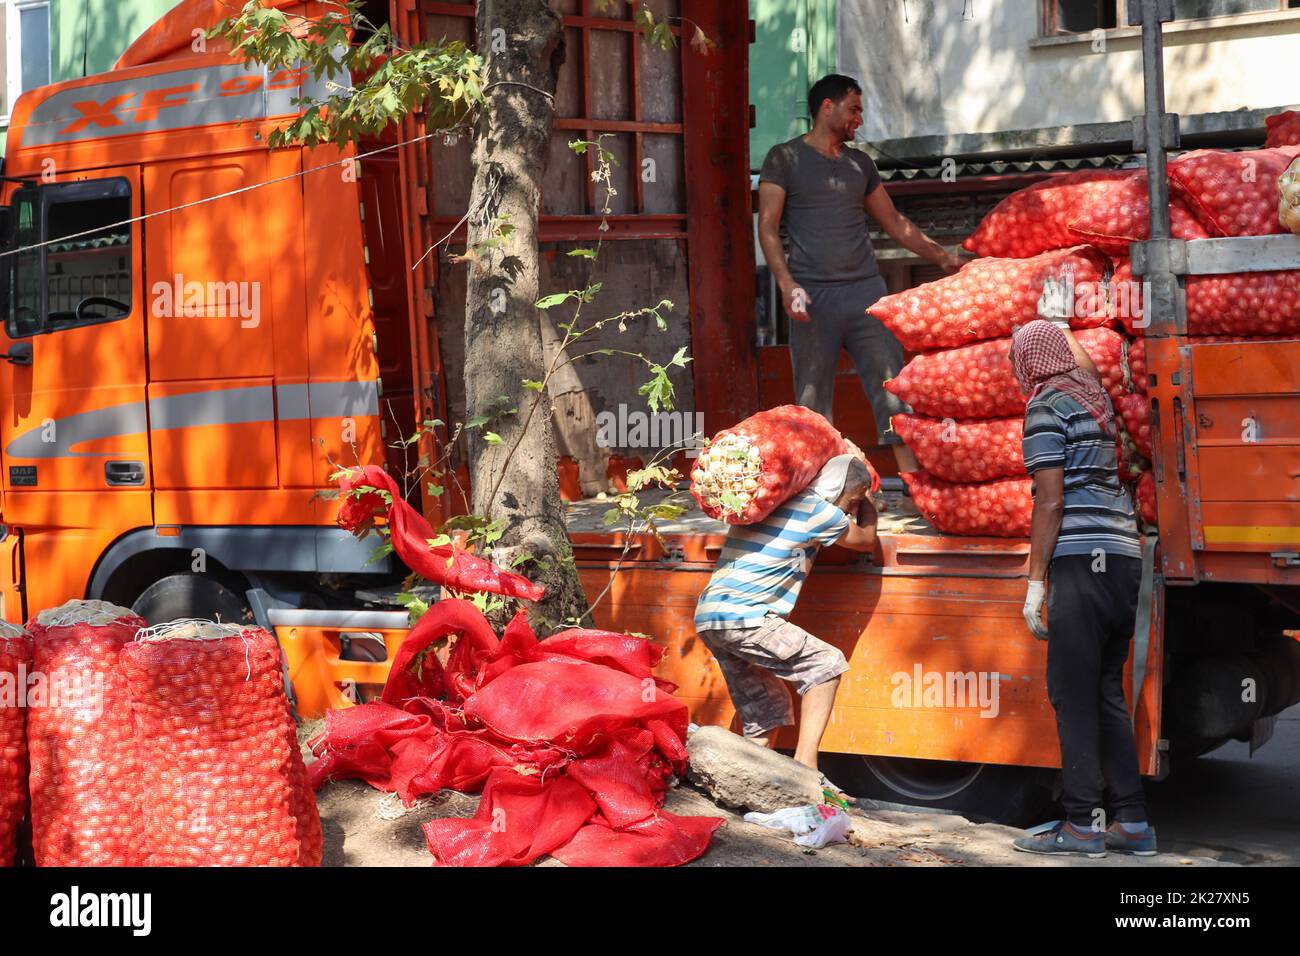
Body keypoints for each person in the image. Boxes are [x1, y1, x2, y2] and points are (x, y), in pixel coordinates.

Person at [757, 73, 963, 474]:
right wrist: (787, 284)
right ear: (827, 107)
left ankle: (917, 487)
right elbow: (767, 226)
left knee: (893, 393)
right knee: (812, 402)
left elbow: (895, 223)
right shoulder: (783, 159)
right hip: (811, 296)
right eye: (854, 110)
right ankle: (819, 491)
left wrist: (942, 257)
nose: (859, 120)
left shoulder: (860, 164)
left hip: (866, 293)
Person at [1008, 318, 1155, 859]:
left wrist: (1034, 582)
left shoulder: (1045, 408)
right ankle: (1132, 825)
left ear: (1028, 363)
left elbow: (1050, 501)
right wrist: (1059, 326)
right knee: (1105, 694)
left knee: (1072, 695)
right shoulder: (1094, 397)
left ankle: (1082, 827)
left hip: (1079, 563)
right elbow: (1084, 362)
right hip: (1123, 559)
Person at [693, 453, 878, 775]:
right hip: (745, 617)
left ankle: (742, 782)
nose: (850, 510)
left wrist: (857, 498)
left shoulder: (775, 503)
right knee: (826, 664)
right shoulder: (817, 510)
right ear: (839, 491)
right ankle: (806, 768)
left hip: (712, 617)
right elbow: (865, 540)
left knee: (767, 711)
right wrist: (870, 504)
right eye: (852, 501)